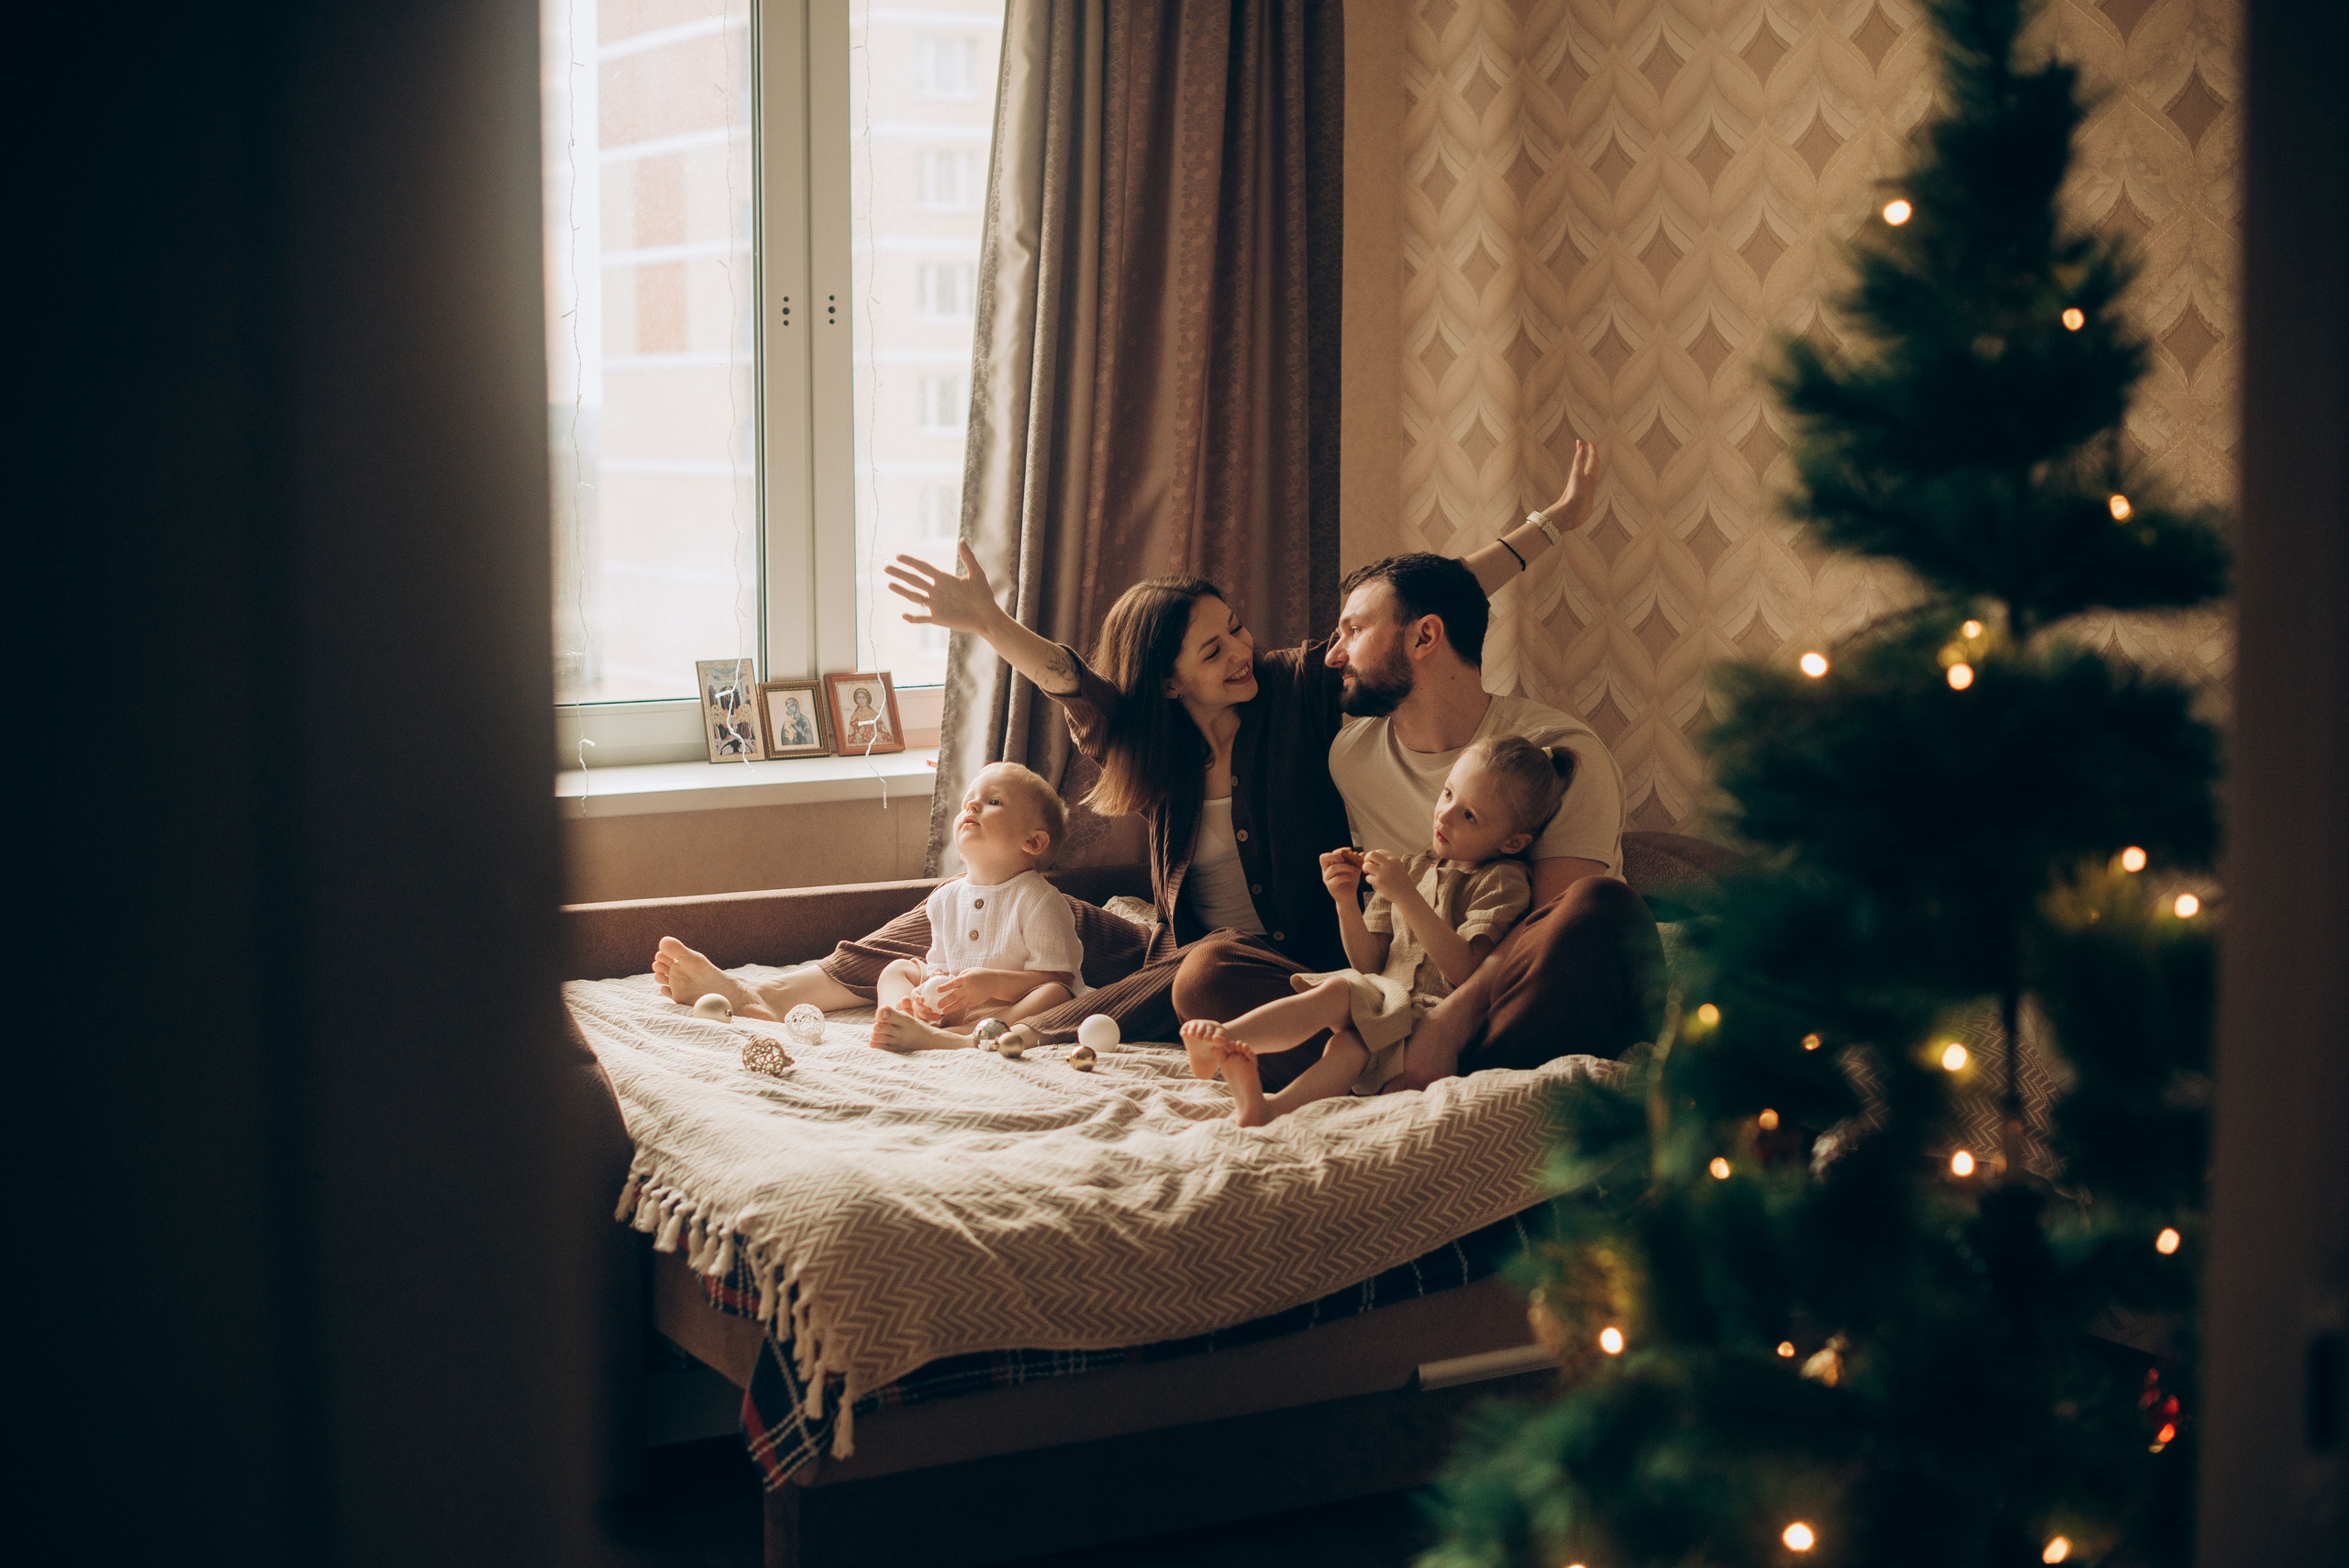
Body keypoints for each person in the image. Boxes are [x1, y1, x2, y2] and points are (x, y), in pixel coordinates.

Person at [652, 445, 1618, 1079]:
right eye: (1213, 649)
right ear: (1166, 683)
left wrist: (1546, 528)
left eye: (1237, 629)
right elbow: (1074, 683)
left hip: (1274, 954)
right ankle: (776, 990)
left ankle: (991, 1035)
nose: (1242, 650)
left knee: (1195, 964)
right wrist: (990, 624)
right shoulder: (1149, 741)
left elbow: (1411, 617)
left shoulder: (1294, 692)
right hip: (1162, 941)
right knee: (992, 893)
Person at [1169, 539, 1663, 1087]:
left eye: (1353, 631)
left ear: (1426, 635)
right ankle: (1404, 1071)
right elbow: (1382, 935)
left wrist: (1447, 1029)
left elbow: (1543, 928)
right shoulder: (1351, 756)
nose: (1333, 656)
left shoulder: (1556, 751)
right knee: (1207, 975)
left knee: (1597, 908)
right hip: (1407, 1007)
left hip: (1520, 993)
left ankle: (1408, 1071)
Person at [1180, 736, 1570, 1124]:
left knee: (1344, 1022)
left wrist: (1405, 896)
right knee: (1343, 1032)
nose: (1445, 816)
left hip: (1425, 1021)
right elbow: (1369, 961)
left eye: (1469, 815)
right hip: (1383, 1006)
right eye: (1448, 794)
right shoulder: (1412, 867)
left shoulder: (1503, 881)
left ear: (1514, 841)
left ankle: (1226, 1047)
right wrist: (1345, 901)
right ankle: (1255, 1093)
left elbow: (1464, 969)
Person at [865, 762, 1085, 1051]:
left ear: (1032, 841)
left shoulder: (1039, 900)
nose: (971, 808)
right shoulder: (944, 899)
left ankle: (962, 1036)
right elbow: (940, 965)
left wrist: (993, 984)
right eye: (967, 803)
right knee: (897, 969)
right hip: (958, 1006)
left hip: (1012, 1011)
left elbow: (1059, 977)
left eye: (993, 801)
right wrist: (930, 993)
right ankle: (903, 1017)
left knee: (1056, 995)